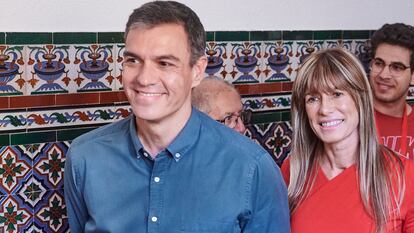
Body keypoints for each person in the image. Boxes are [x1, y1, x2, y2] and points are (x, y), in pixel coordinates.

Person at [64, 1, 290, 233]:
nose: (144, 78)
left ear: (197, 71)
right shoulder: (86, 158)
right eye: (133, 60)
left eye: (164, 63)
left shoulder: (252, 168)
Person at [281, 48, 414, 233]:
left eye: (337, 94)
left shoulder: (404, 175)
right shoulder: (293, 170)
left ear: (360, 99)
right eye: (313, 98)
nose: (325, 109)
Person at [369, 23, 414, 159]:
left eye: (397, 67)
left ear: (413, 76)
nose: (384, 75)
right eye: (379, 63)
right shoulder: (350, 120)